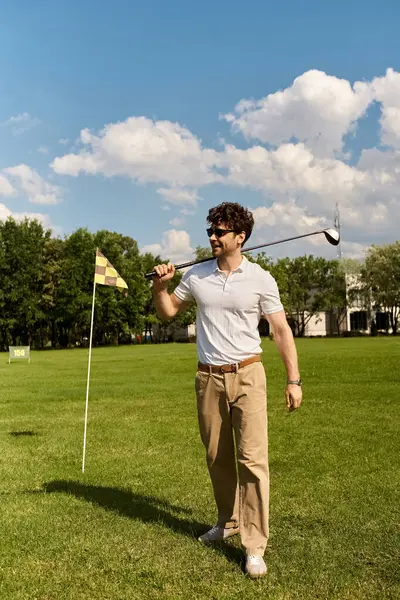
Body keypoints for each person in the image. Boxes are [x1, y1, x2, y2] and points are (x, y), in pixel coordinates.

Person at [152, 202, 302, 578]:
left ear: (241, 237)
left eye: (220, 233)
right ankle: (228, 521)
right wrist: (161, 286)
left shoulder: (261, 279)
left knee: (252, 460)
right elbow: (168, 312)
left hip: (249, 374)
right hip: (208, 378)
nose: (213, 238)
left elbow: (281, 330)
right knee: (217, 456)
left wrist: (293, 379)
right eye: (211, 232)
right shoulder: (198, 275)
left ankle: (254, 546)